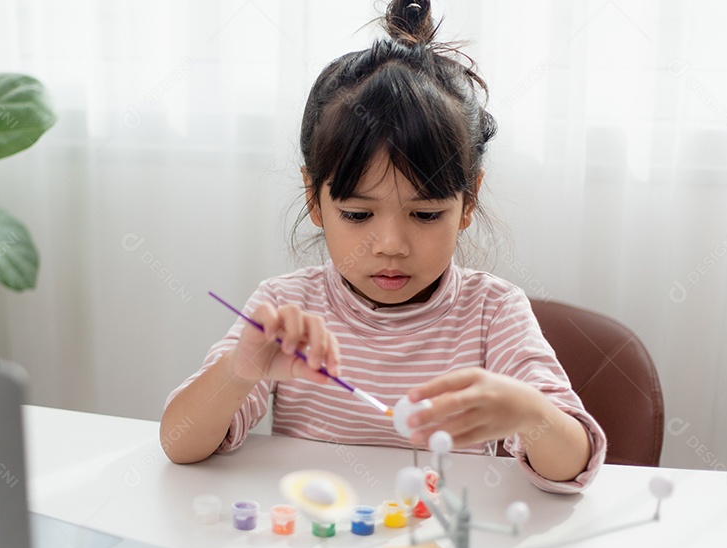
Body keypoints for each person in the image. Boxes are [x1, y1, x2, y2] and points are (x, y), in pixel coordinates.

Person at [161, 0, 605, 493]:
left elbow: (572, 466)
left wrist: (529, 411)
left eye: (426, 214)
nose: (391, 246)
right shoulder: (288, 307)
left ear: (468, 201)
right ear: (314, 199)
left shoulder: (492, 313)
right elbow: (181, 445)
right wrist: (240, 372)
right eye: (357, 214)